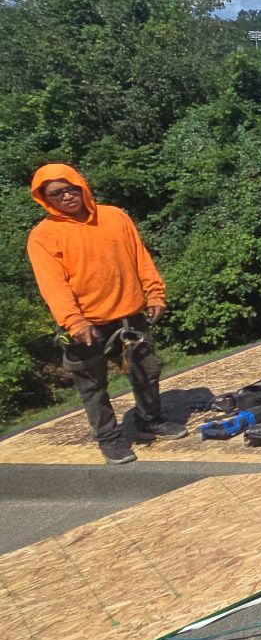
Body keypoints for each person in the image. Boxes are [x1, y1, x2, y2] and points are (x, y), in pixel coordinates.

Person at [26, 165, 187, 463]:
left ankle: (148, 420)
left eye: (71, 188)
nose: (67, 196)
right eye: (56, 194)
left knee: (146, 371)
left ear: (82, 186)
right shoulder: (44, 236)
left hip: (130, 315)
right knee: (92, 384)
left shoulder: (113, 216)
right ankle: (109, 438)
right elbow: (53, 285)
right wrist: (74, 320)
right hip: (86, 323)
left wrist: (154, 292)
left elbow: (140, 256)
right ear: (44, 199)